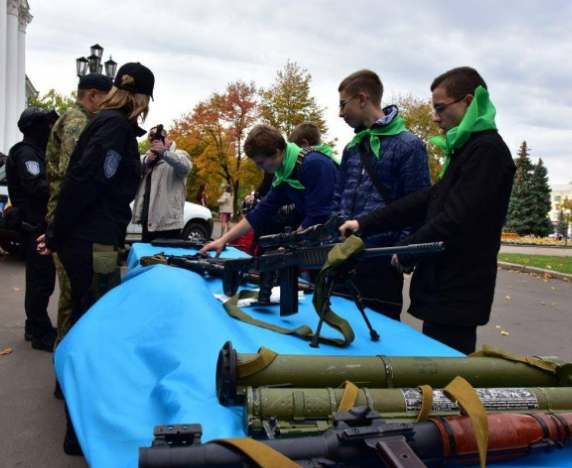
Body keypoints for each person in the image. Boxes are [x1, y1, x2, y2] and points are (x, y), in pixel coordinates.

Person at [338, 67, 516, 355]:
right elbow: (426, 200)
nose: (435, 117)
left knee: (446, 377)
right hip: (443, 288)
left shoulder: (487, 152)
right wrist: (363, 223)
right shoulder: (468, 149)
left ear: (468, 102)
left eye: (440, 108)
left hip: (458, 291)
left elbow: (456, 219)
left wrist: (406, 248)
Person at [38, 61, 154, 455]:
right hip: (94, 244)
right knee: (94, 328)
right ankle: (80, 431)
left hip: (89, 239)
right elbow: (86, 181)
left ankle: (79, 425)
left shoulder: (105, 124)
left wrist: (58, 230)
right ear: (140, 98)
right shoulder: (115, 128)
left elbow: (82, 179)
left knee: (89, 320)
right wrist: (56, 233)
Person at [335, 69, 431, 320]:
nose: (340, 113)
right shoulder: (352, 147)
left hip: (380, 265)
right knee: (337, 334)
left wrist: (398, 255)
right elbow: (340, 196)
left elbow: (418, 205)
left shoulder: (410, 146)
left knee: (379, 344)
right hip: (342, 258)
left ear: (362, 99)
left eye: (343, 104)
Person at [45, 73, 112, 355]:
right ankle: (66, 367)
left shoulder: (80, 119)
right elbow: (76, 173)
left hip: (67, 219)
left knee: (76, 295)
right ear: (93, 95)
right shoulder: (77, 121)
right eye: (107, 99)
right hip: (68, 221)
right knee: (73, 298)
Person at [200, 124, 338, 256]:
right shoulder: (283, 174)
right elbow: (261, 212)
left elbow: (319, 214)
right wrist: (223, 239)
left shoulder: (314, 164)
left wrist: (289, 245)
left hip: (342, 237)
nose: (259, 168)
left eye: (261, 162)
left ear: (277, 152)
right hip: (321, 238)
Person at [5, 106, 59, 352]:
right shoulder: (27, 153)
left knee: (42, 280)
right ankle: (39, 332)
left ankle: (33, 326)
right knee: (40, 281)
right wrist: (62, 183)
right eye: (48, 125)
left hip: (36, 224)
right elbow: (36, 187)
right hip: (34, 226)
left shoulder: (35, 151)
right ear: (35, 127)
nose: (51, 129)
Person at [131, 125, 192, 241]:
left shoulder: (179, 154)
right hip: (148, 221)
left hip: (168, 224)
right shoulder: (150, 158)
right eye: (152, 139)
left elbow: (186, 167)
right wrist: (146, 160)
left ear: (168, 139)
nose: (155, 141)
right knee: (147, 257)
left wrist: (164, 152)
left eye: (159, 138)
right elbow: (132, 164)